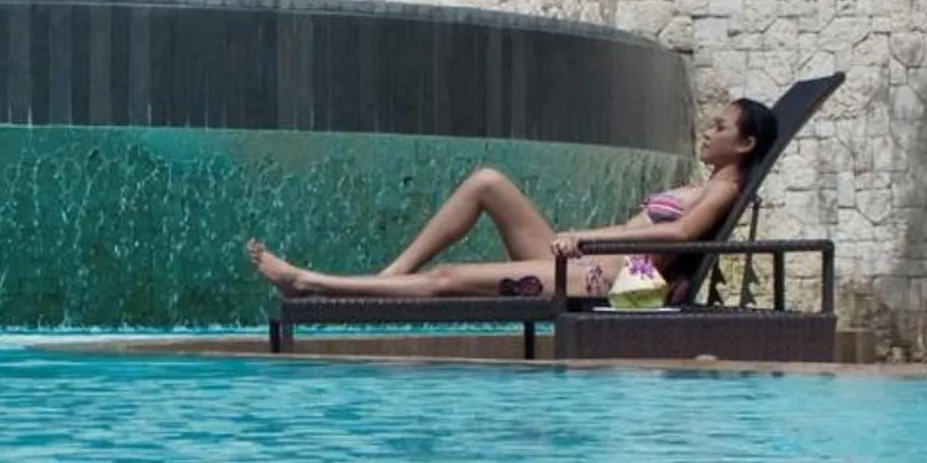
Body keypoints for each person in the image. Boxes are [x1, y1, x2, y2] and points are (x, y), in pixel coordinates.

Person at [247, 97, 779, 300]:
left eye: (721, 127)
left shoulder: (724, 188)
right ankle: (390, 274)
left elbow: (680, 236)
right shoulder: (711, 184)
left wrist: (588, 237)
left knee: (450, 279)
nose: (709, 132)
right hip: (587, 262)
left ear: (746, 143)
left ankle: (311, 283)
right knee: (487, 182)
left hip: (606, 279)